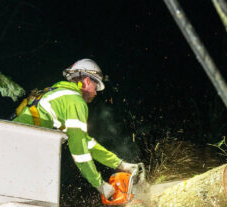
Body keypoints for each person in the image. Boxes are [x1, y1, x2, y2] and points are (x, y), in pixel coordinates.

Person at [13, 58, 139, 199]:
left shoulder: (61, 95)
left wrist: (120, 164)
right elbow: (79, 151)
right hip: (21, 147)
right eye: (95, 86)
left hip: (18, 144)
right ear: (86, 81)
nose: (96, 92)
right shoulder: (75, 101)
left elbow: (85, 142)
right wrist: (99, 184)